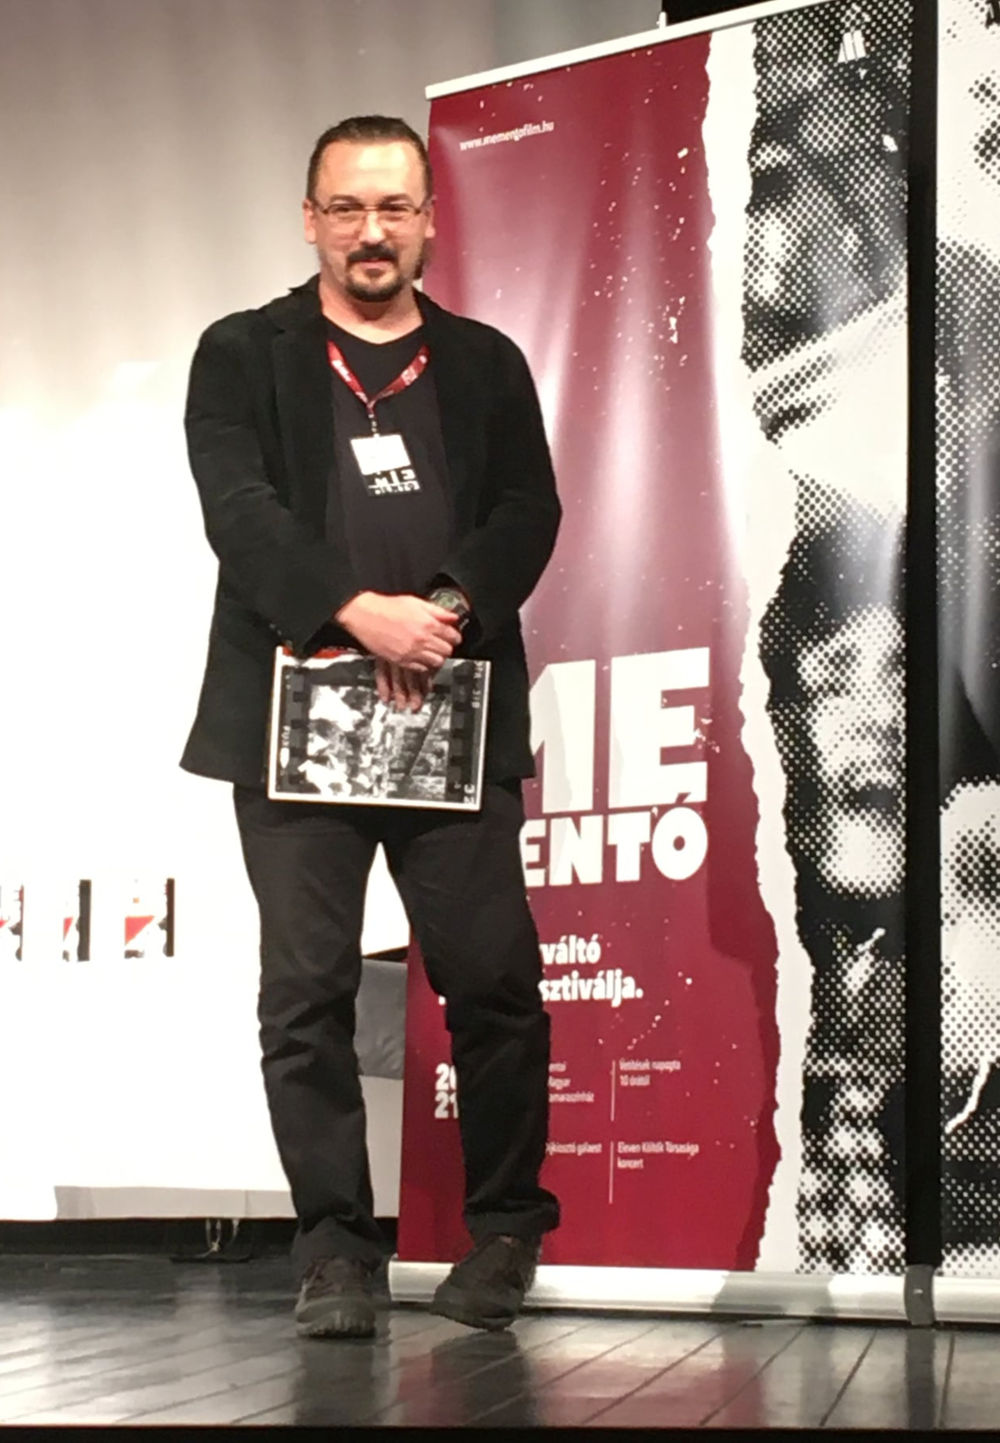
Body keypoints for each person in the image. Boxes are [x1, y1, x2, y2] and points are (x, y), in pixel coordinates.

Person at [181, 115, 561, 1337]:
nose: (371, 231)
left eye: (394, 206)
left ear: (430, 221)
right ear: (310, 220)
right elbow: (239, 511)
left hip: (451, 704)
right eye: (346, 207)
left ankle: (503, 1234)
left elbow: (528, 509)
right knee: (305, 993)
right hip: (294, 714)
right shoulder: (241, 353)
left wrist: (440, 613)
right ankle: (336, 1251)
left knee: (493, 980)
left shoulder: (485, 362)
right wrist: (358, 612)